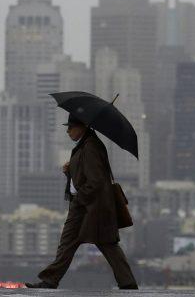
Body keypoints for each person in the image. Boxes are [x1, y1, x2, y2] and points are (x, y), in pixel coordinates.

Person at [26, 113, 138, 289]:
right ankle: (50, 280)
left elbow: (96, 182)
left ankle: (128, 284)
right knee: (69, 243)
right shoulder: (85, 145)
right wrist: (69, 171)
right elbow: (86, 176)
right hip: (85, 206)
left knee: (106, 243)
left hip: (91, 207)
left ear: (83, 127)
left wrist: (79, 198)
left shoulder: (91, 147)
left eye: (71, 127)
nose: (68, 131)